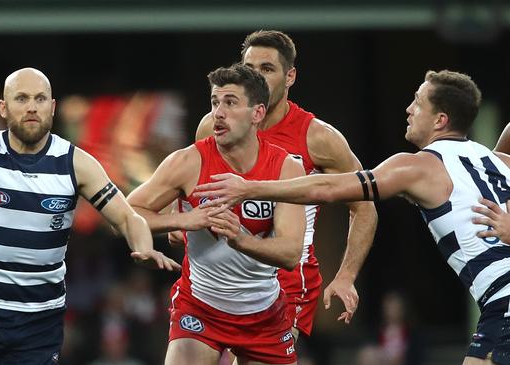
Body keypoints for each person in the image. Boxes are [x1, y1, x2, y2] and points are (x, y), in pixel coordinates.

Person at [194, 69, 510, 365]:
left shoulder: (418, 166)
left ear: (440, 120)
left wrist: (250, 188)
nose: (409, 109)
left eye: (418, 102)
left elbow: (329, 188)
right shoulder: (495, 160)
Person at [0, 46, 180, 365]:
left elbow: (128, 218)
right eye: (21, 98)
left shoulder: (76, 164)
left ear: (53, 106)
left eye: (40, 98)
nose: (32, 107)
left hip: (38, 324)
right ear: (3, 107)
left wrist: (142, 249)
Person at [178, 30, 377, 338]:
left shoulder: (319, 138)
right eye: (249, 69)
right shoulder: (212, 125)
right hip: (221, 280)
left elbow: (364, 207)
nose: (255, 78)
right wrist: (181, 224)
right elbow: (186, 185)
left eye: (267, 69)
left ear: (290, 76)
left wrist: (346, 275)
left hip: (287, 281)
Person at [127, 64, 307, 364]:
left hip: (263, 315)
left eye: (230, 103)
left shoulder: (286, 169)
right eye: (214, 102)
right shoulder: (188, 162)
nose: (218, 113)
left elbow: (290, 253)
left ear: (257, 114)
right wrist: (183, 220)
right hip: (200, 309)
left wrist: (239, 239)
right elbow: (128, 212)